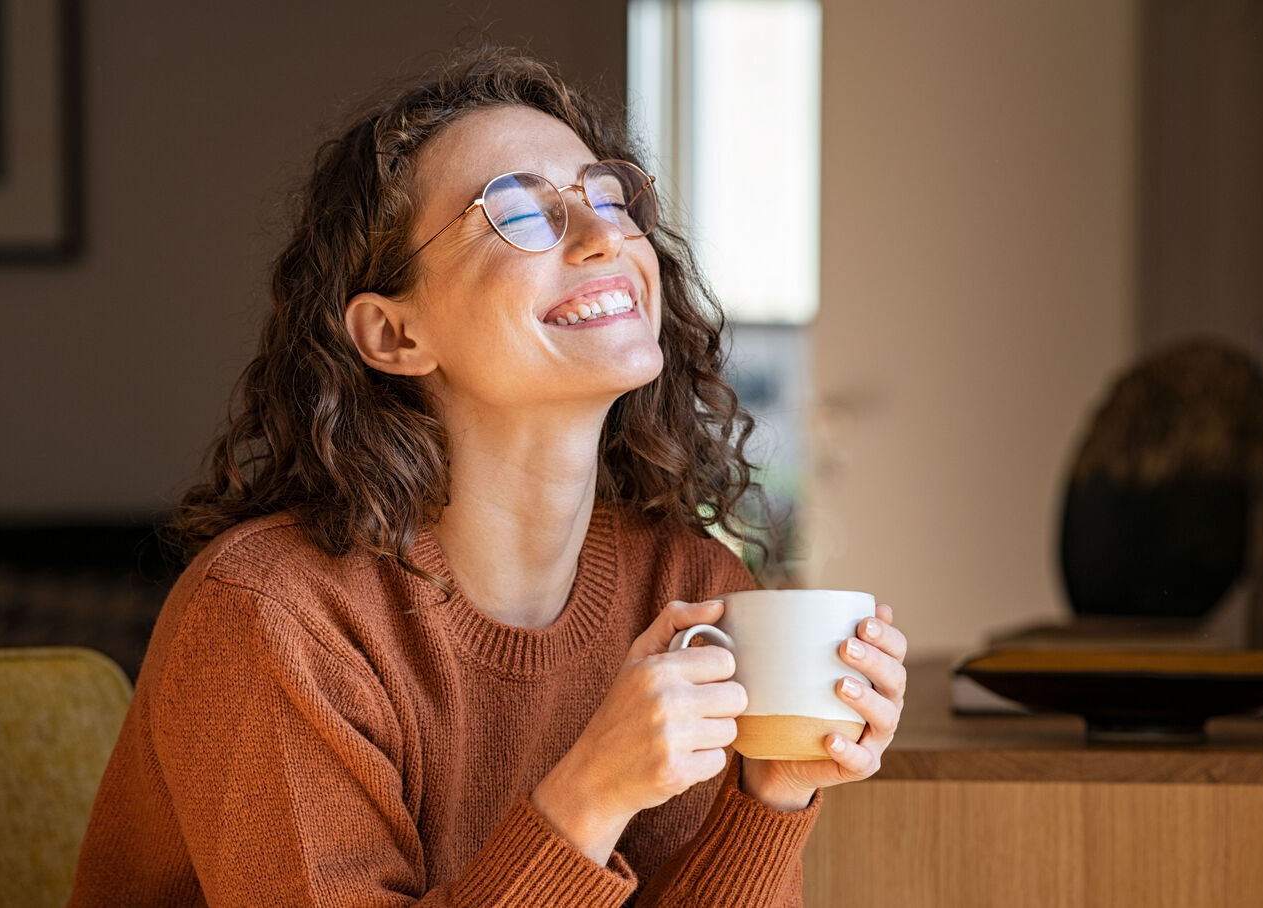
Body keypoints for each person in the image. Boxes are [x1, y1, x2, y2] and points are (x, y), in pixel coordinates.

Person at [68, 47, 907, 908]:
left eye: (608, 196)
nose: (606, 236)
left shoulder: (689, 589)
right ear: (394, 336)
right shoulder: (273, 618)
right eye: (518, 211)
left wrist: (771, 794)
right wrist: (591, 796)